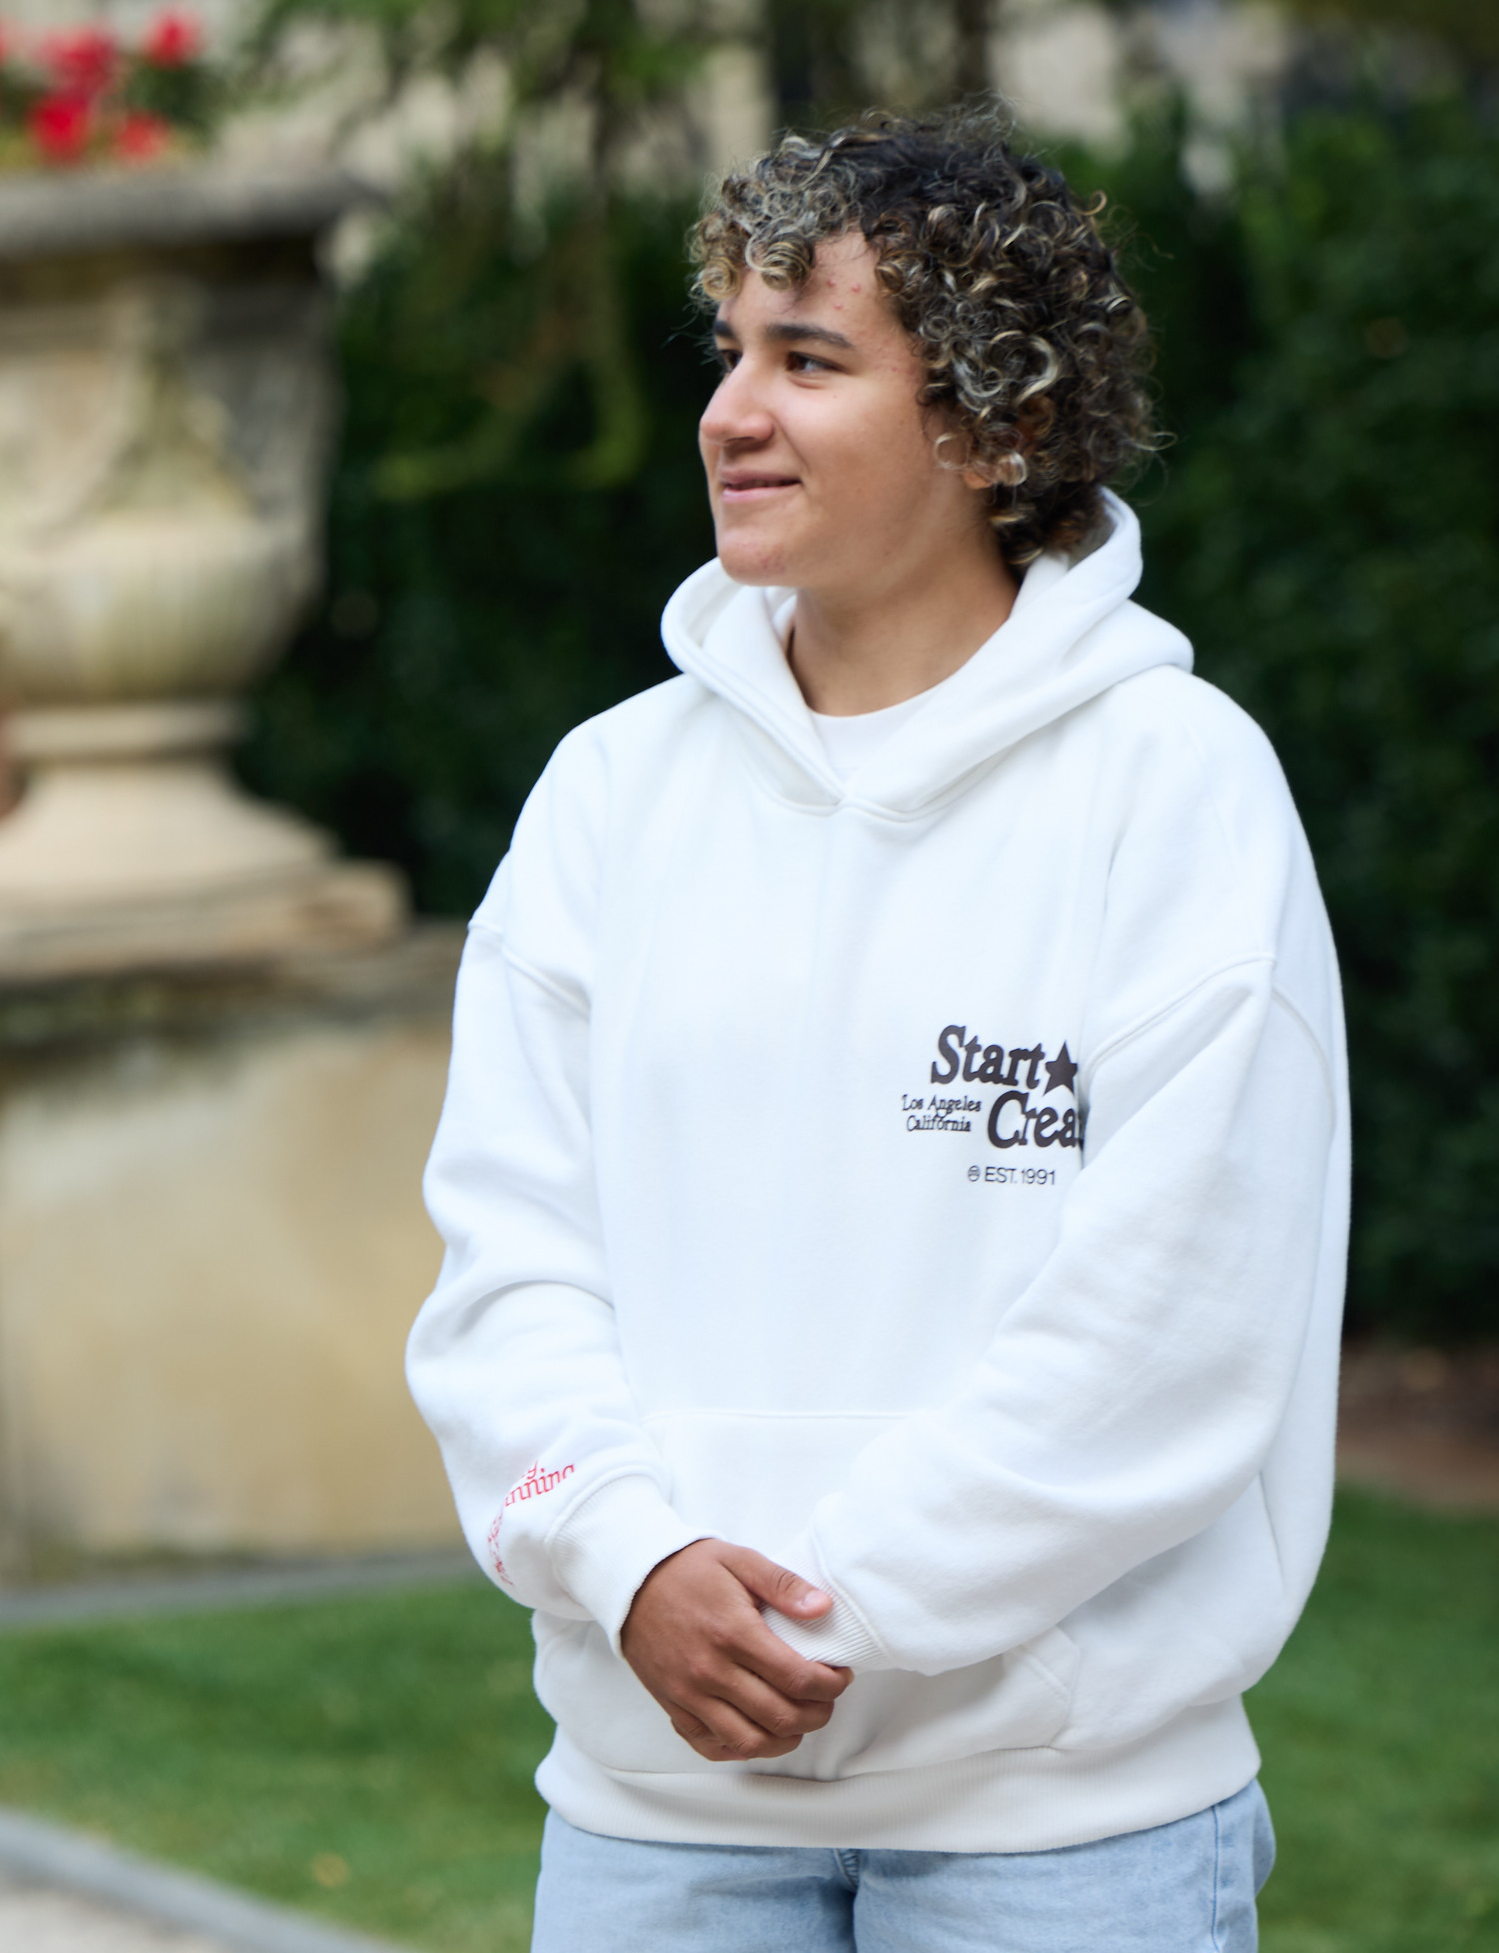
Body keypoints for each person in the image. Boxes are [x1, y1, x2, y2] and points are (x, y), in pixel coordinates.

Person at [408, 109, 1347, 1951]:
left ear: (996, 425)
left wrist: (820, 1618)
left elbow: (1168, 1328)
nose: (731, 412)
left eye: (809, 360)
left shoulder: (1174, 790)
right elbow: (507, 1267)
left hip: (1066, 1831)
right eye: (732, 353)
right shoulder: (609, 796)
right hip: (653, 1823)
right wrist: (635, 1561)